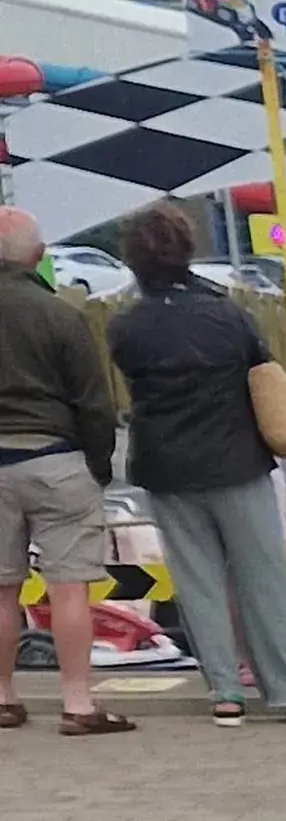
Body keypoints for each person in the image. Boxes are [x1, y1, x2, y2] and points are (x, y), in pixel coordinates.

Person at [101, 202, 286, 724]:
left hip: (165, 466)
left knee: (197, 581)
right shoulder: (227, 314)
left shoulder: (126, 328)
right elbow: (262, 375)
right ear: (187, 250)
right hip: (236, 458)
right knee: (264, 577)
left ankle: (225, 691)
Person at [0, 206, 130, 735]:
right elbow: (94, 404)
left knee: (1, 589)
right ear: (38, 256)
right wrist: (98, 466)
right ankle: (78, 704)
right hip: (55, 459)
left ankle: (3, 697)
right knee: (68, 588)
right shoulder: (61, 315)